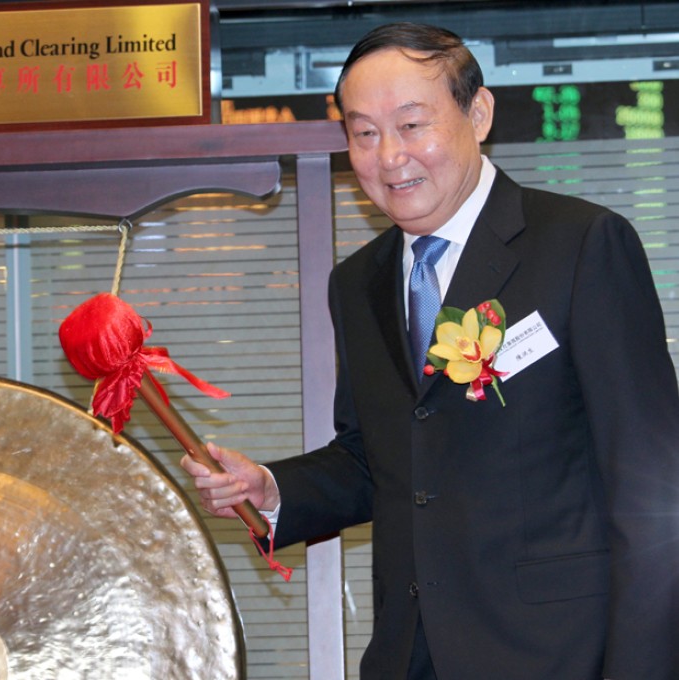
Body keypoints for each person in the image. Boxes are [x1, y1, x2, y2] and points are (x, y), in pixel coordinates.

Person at [181, 22, 679, 680]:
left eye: (412, 125)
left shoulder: (580, 247)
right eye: (364, 133)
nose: (388, 156)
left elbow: (654, 490)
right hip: (410, 657)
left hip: (560, 655)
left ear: (478, 113)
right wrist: (271, 489)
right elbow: (380, 460)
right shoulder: (358, 283)